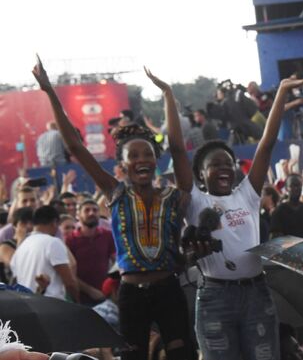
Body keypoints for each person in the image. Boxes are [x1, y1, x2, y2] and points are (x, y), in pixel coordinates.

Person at [33, 57, 194, 360]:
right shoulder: (115, 193)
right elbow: (77, 148)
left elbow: (176, 148)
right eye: (134, 156)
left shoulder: (174, 196)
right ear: (123, 166)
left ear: (155, 160)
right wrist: (50, 91)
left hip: (169, 289)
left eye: (147, 154)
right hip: (131, 294)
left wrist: (168, 94)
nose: (142, 159)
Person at [187, 74, 303, 360]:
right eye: (214, 164)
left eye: (228, 163)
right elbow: (174, 146)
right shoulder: (196, 201)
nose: (224, 168)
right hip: (215, 297)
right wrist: (169, 99)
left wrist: (282, 91)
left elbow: (267, 143)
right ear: (200, 174)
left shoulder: (246, 194)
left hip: (256, 295)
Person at [10, 206, 78, 300]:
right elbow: (69, 282)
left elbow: (16, 278)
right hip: (50, 306)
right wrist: (77, 303)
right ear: (54, 222)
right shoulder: (53, 243)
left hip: (26, 305)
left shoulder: (22, 246)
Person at [65, 199, 115, 305]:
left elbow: (116, 261)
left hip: (105, 295)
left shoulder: (107, 235)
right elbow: (69, 272)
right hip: (80, 297)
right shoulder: (70, 240)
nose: (91, 213)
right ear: (78, 215)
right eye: (87, 210)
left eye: (95, 210)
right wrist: (90, 291)